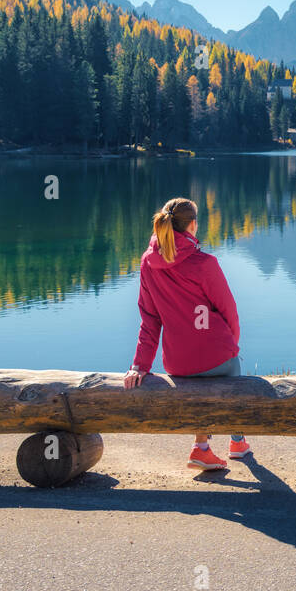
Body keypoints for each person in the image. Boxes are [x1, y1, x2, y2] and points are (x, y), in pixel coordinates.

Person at [123, 197, 249, 471]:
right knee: (232, 376)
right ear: (192, 225)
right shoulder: (204, 263)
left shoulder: (147, 263)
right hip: (217, 356)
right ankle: (237, 441)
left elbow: (150, 319)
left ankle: (201, 447)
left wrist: (139, 366)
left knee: (200, 375)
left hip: (178, 362)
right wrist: (233, 345)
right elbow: (229, 312)